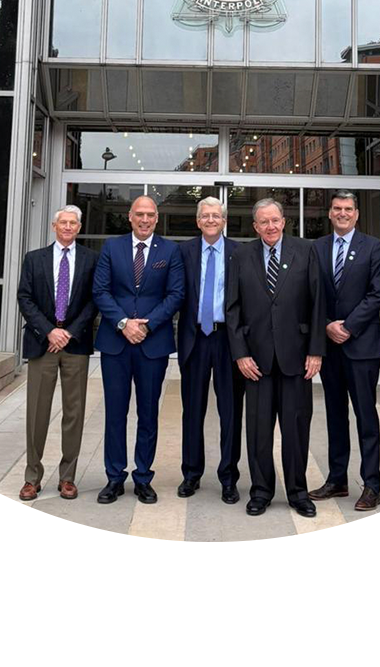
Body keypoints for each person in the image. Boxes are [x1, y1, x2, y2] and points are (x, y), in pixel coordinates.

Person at [225, 197, 325, 517]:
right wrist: (240, 354)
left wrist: (315, 351)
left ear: (284, 221)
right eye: (263, 222)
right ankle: (261, 491)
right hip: (256, 362)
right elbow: (232, 309)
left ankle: (297, 492)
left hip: (297, 359)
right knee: (258, 430)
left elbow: (318, 303)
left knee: (296, 429)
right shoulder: (241, 256)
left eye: (275, 220)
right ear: (255, 226)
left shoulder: (305, 251)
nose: (270, 226)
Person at [91, 195, 185, 504]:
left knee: (148, 414)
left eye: (150, 215)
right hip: (116, 344)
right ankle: (114, 477)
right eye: (139, 214)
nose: (145, 220)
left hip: (152, 345)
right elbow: (100, 291)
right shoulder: (111, 247)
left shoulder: (169, 250)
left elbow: (175, 294)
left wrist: (147, 325)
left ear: (157, 219)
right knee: (116, 414)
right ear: (130, 217)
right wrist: (123, 323)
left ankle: (143, 476)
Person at [308, 191, 380, 511]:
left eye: (348, 209)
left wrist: (348, 326)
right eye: (337, 209)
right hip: (330, 347)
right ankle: (337, 480)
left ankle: (371, 484)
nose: (342, 213)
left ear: (356, 214)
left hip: (362, 347)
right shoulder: (318, 248)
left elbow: (376, 293)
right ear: (330, 213)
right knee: (335, 416)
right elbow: (311, 294)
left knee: (366, 417)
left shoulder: (373, 247)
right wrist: (328, 324)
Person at [15, 206, 98, 502]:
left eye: (73, 223)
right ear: (54, 226)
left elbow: (93, 300)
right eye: (63, 222)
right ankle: (32, 477)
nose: (67, 227)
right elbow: (24, 297)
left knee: (74, 414)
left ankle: (67, 477)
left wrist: (69, 332)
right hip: (43, 344)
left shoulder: (91, 259)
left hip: (75, 345)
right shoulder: (34, 258)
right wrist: (49, 331)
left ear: (79, 226)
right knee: (37, 413)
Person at [175, 196, 244, 505]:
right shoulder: (184, 251)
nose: (211, 220)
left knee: (230, 412)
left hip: (228, 341)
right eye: (206, 215)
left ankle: (228, 477)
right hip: (194, 339)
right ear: (198, 220)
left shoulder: (240, 253)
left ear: (224, 220)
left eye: (216, 215)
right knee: (192, 411)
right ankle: (191, 473)